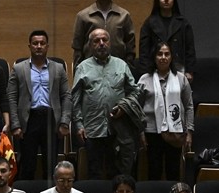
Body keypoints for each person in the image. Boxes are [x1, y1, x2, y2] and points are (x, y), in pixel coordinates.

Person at [71, 28, 144, 179]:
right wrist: (78, 125)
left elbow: (135, 92)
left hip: (117, 129)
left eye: (105, 40)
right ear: (90, 45)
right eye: (96, 41)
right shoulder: (82, 67)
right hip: (92, 129)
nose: (101, 43)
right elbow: (75, 99)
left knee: (117, 173)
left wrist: (124, 107)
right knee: (94, 172)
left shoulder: (121, 65)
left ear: (110, 43)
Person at [7, 29, 70, 182]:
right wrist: (15, 124)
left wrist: (64, 122)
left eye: (42, 43)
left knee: (51, 165)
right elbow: (11, 96)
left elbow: (66, 96)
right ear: (30, 46)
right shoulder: (19, 68)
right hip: (28, 120)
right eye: (35, 43)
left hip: (51, 119)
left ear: (47, 46)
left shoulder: (58, 68)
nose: (39, 46)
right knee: (28, 164)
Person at [138, 41, 193, 181]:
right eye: (159, 54)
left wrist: (189, 132)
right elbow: (137, 108)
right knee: (154, 171)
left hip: (175, 132)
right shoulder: (145, 79)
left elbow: (189, 106)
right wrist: (140, 133)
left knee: (173, 171)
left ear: (171, 57)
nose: (163, 57)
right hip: (152, 132)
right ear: (154, 57)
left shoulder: (181, 79)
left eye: (167, 54)